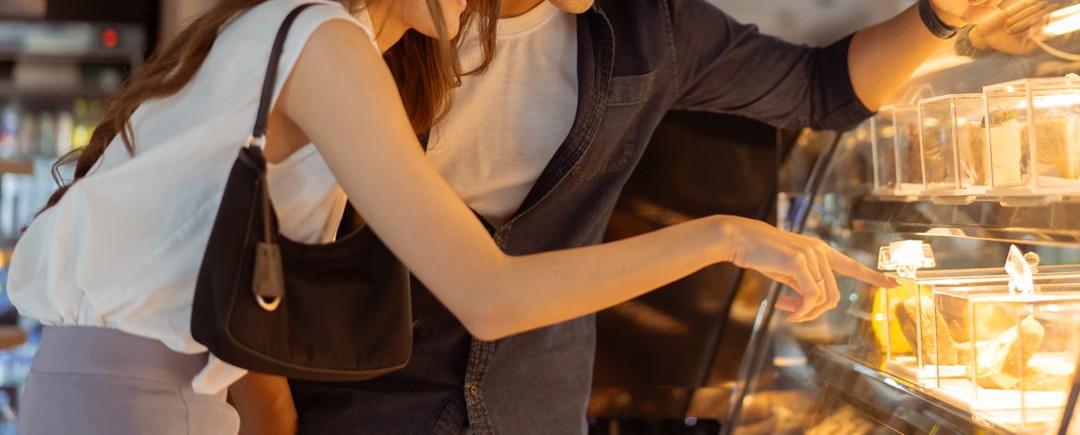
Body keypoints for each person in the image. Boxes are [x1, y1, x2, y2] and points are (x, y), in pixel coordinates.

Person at [5, 0, 894, 434]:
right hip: (139, 403)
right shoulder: (327, 44)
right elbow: (489, 296)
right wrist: (726, 235)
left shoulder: (316, 38)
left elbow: (250, 342)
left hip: (150, 393)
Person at [287, 0, 1036, 434]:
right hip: (353, 415)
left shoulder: (651, 30)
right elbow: (255, 255)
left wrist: (940, 15)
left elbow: (821, 90)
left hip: (537, 414)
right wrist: (727, 237)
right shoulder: (352, 38)